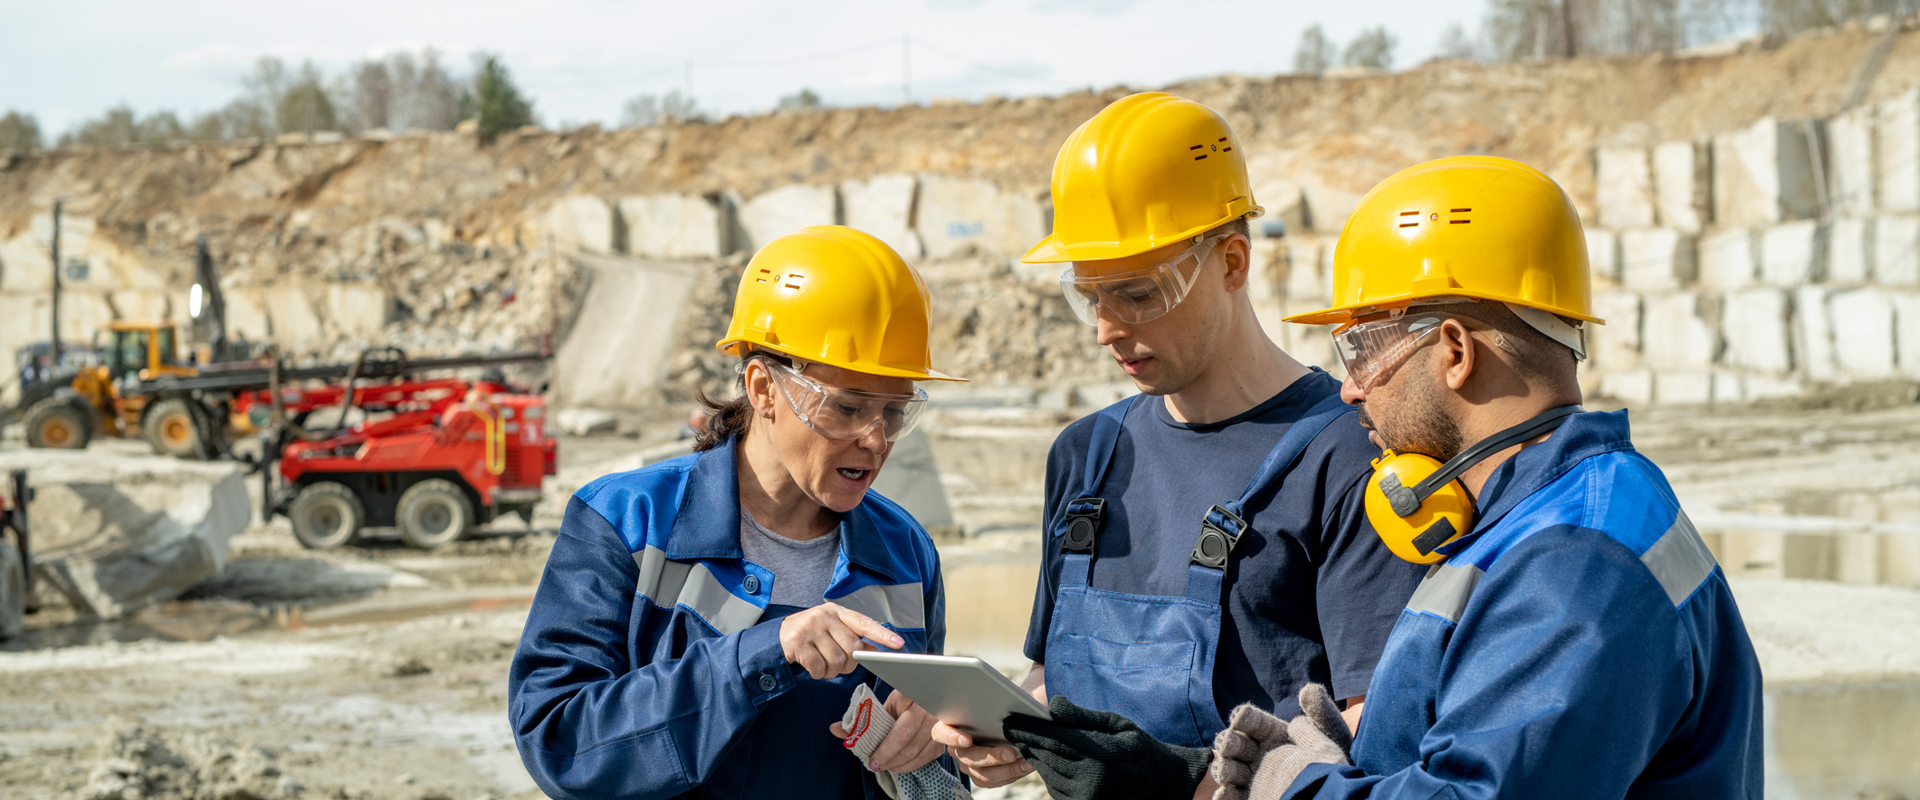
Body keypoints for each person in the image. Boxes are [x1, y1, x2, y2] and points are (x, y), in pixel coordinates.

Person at [999, 156, 1765, 800]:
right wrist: (1322, 751)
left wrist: (1279, 782)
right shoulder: (1528, 525)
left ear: (1456, 350)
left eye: (1362, 349)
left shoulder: (1574, 567)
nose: (1350, 388)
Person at [934, 92, 1426, 789]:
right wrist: (1010, 729)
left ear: (1231, 261)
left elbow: (1374, 735)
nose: (1106, 329)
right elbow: (1055, 681)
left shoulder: (1346, 456)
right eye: (1090, 297)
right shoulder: (1086, 456)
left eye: (1136, 295)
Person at [509, 225, 968, 799]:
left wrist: (932, 734)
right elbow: (560, 742)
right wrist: (760, 655)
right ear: (763, 388)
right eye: (848, 407)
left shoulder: (905, 551)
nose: (875, 440)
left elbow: (928, 758)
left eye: (895, 412)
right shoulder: (628, 522)